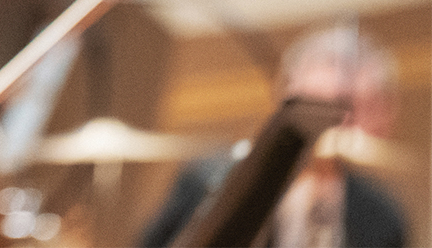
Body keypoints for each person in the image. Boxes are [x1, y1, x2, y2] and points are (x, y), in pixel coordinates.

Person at [139, 22, 407, 248]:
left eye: (355, 110)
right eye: (317, 107)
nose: (336, 126)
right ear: (284, 97)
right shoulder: (209, 180)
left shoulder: (381, 216)